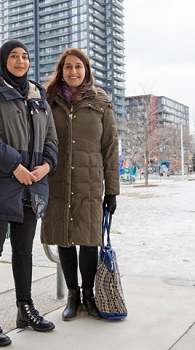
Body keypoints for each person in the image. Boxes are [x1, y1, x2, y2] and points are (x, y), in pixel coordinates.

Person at [0, 39, 58, 347]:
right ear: (3, 60)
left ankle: (25, 308)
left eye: (25, 57)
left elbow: (51, 138)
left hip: (32, 185)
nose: (21, 61)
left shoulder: (38, 97)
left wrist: (46, 166)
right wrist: (16, 166)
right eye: (14, 56)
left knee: (23, 251)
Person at [41, 48, 119, 321]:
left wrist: (112, 189)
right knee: (64, 238)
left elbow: (110, 146)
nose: (73, 72)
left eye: (78, 66)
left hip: (89, 183)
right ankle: (73, 296)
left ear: (86, 70)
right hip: (58, 182)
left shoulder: (100, 101)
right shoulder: (48, 102)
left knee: (88, 241)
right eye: (68, 67)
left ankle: (89, 295)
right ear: (61, 71)